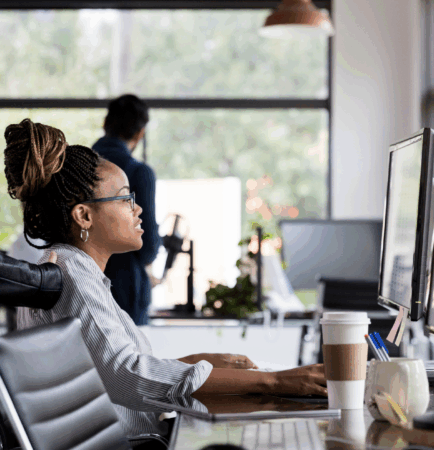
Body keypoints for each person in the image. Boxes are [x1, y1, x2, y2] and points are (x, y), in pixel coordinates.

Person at [5, 119, 327, 438]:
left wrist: (200, 364)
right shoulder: (73, 278)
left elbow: (113, 369)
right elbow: (128, 375)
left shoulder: (74, 270)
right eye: (125, 198)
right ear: (84, 216)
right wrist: (276, 381)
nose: (138, 209)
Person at [92, 94, 160, 325]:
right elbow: (148, 246)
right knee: (132, 360)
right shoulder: (138, 173)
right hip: (125, 290)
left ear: (105, 124)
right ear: (140, 133)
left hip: (82, 284)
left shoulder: (77, 165)